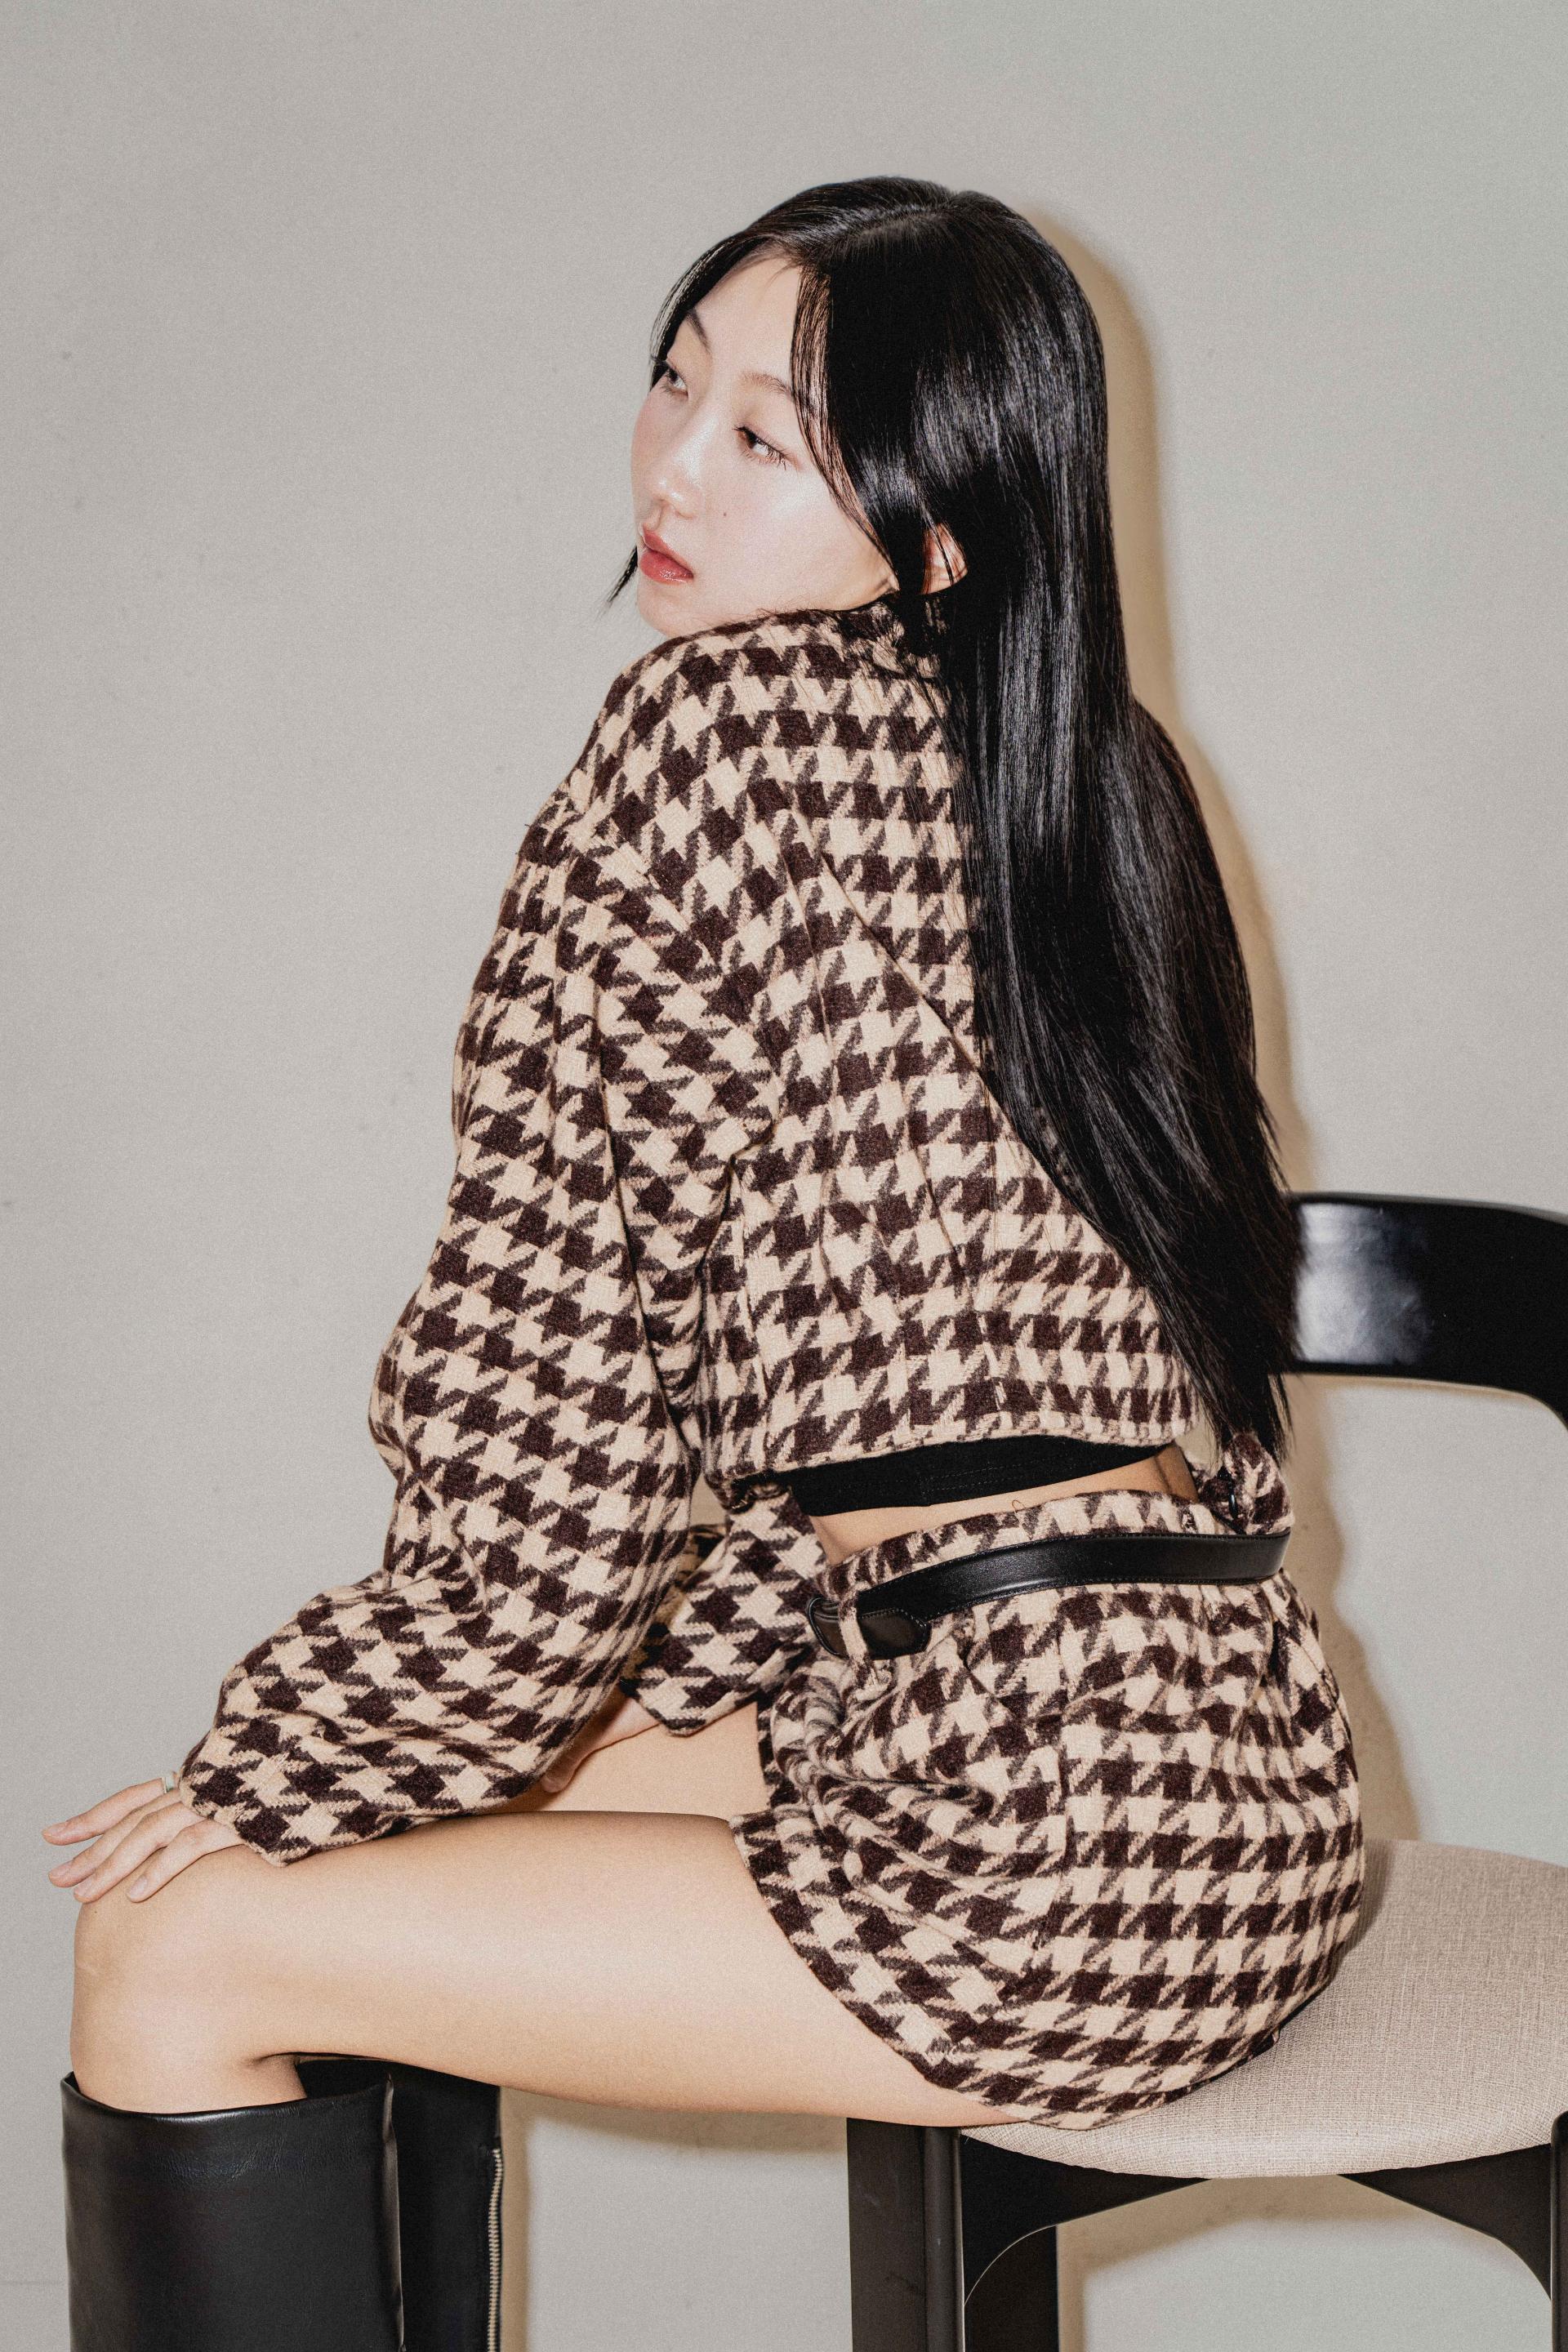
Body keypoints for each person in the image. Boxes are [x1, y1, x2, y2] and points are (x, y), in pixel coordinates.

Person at [46, 176, 1364, 2349]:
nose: (673, 467)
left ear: (938, 531)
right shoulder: (1104, 778)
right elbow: (942, 1397)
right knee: (418, 1804)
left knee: (178, 1939)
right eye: (677, 385)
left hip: (1028, 1840)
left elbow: (560, 1470)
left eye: (768, 437)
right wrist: (464, 1740)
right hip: (1237, 1782)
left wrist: (275, 1763)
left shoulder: (706, 747)